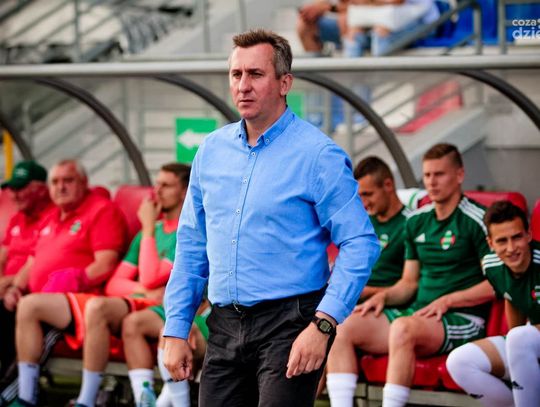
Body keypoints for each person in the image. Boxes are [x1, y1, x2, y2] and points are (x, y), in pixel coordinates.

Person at [162, 29, 380, 407]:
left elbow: (360, 242)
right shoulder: (211, 151)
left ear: (284, 83)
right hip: (224, 324)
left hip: (291, 324)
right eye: (236, 74)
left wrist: (323, 324)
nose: (243, 85)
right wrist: (176, 329)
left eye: (256, 74)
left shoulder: (318, 155)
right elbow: (192, 244)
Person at [325, 143, 494, 407]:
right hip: (419, 315)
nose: (432, 182)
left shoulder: (477, 219)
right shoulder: (417, 221)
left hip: (462, 318)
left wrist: (449, 300)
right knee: (341, 326)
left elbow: (496, 284)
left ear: (459, 175)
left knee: (403, 328)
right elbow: (408, 283)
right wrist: (384, 297)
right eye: (427, 175)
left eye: (439, 174)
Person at [10, 163, 187, 407]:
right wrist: (145, 290)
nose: (156, 191)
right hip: (142, 300)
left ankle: (87, 400)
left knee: (100, 309)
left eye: (166, 185)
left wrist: (147, 229)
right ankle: (31, 398)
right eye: (156, 184)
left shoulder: (183, 231)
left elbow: (147, 275)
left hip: (164, 308)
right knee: (38, 305)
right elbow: (115, 284)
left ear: (184, 191)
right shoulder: (152, 230)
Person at [2, 159, 128, 407]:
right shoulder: (51, 215)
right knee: (11, 309)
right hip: (41, 298)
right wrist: (15, 287)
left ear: (83, 182)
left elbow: (106, 263)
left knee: (29, 308)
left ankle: (23, 397)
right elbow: (32, 261)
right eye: (55, 182)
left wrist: (77, 278)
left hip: (80, 301)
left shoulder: (101, 210)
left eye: (68, 181)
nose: (61, 187)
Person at [446, 201, 540, 407]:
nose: (511, 248)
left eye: (517, 237)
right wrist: (516, 350)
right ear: (490, 243)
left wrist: (518, 342)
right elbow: (511, 297)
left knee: (519, 337)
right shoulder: (491, 265)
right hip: (528, 341)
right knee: (460, 361)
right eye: (502, 241)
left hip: (530, 340)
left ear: (529, 235)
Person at [0, 161, 53, 378]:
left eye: (20, 188)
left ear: (40, 189)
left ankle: (9, 382)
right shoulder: (18, 218)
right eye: (12, 189)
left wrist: (8, 284)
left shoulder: (53, 217)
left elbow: (38, 262)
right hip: (8, 289)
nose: (14, 195)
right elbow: (2, 255)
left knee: (8, 308)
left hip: (28, 292)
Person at [354, 156, 410, 301]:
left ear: (388, 185)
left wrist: (368, 292)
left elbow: (412, 285)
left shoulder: (412, 223)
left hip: (385, 304)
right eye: (360, 196)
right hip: (353, 300)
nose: (364, 204)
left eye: (368, 194)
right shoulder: (363, 223)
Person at [341, 0, 440, 57]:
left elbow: (397, 1)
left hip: (423, 23)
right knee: (353, 34)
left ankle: (378, 76)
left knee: (381, 31)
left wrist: (371, 2)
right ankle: (349, 83)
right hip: (386, 19)